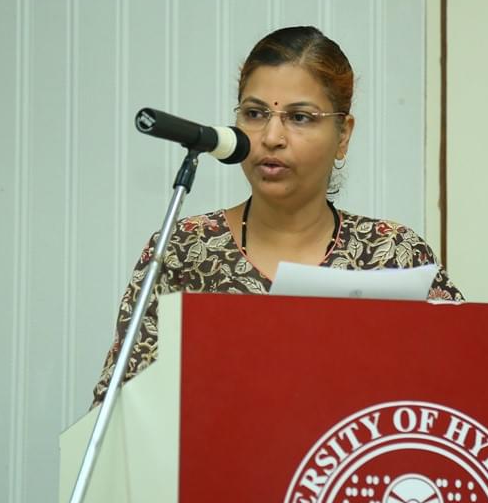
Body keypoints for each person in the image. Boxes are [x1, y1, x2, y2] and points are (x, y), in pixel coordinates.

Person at [92, 26, 463, 406]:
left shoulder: (393, 253)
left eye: (299, 117)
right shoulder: (186, 248)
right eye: (254, 114)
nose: (271, 137)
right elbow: (117, 407)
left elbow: (467, 389)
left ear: (343, 135)